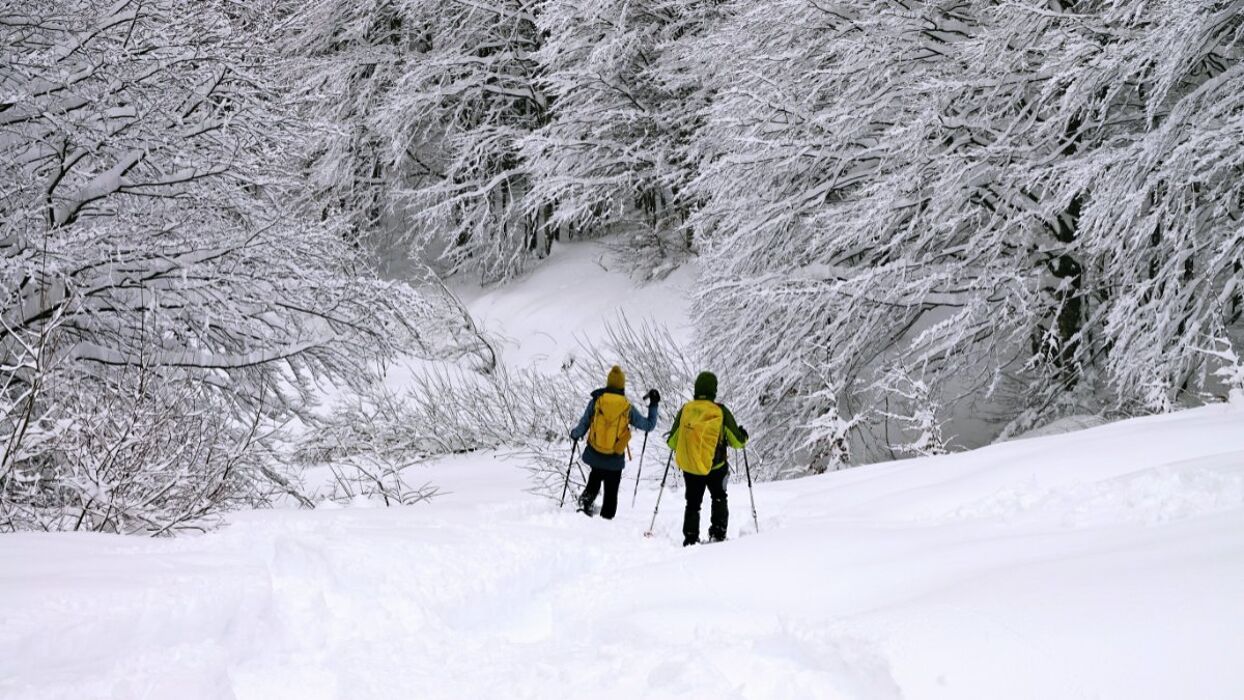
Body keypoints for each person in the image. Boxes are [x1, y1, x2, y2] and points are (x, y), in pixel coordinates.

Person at [665, 371, 748, 546]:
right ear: (714, 390)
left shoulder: (686, 410)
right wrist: (744, 436)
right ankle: (718, 534)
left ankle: (690, 537)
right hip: (716, 466)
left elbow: (672, 442)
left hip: (692, 468)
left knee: (693, 503)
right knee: (719, 497)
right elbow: (737, 441)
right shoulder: (721, 411)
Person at [569, 365, 659, 519]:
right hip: (614, 458)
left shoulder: (597, 401)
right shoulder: (627, 407)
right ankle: (607, 519)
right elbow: (649, 426)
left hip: (595, 454)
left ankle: (585, 507)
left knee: (595, 478)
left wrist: (575, 434)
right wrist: (654, 405)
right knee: (611, 491)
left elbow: (584, 423)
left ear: (608, 384)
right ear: (622, 386)